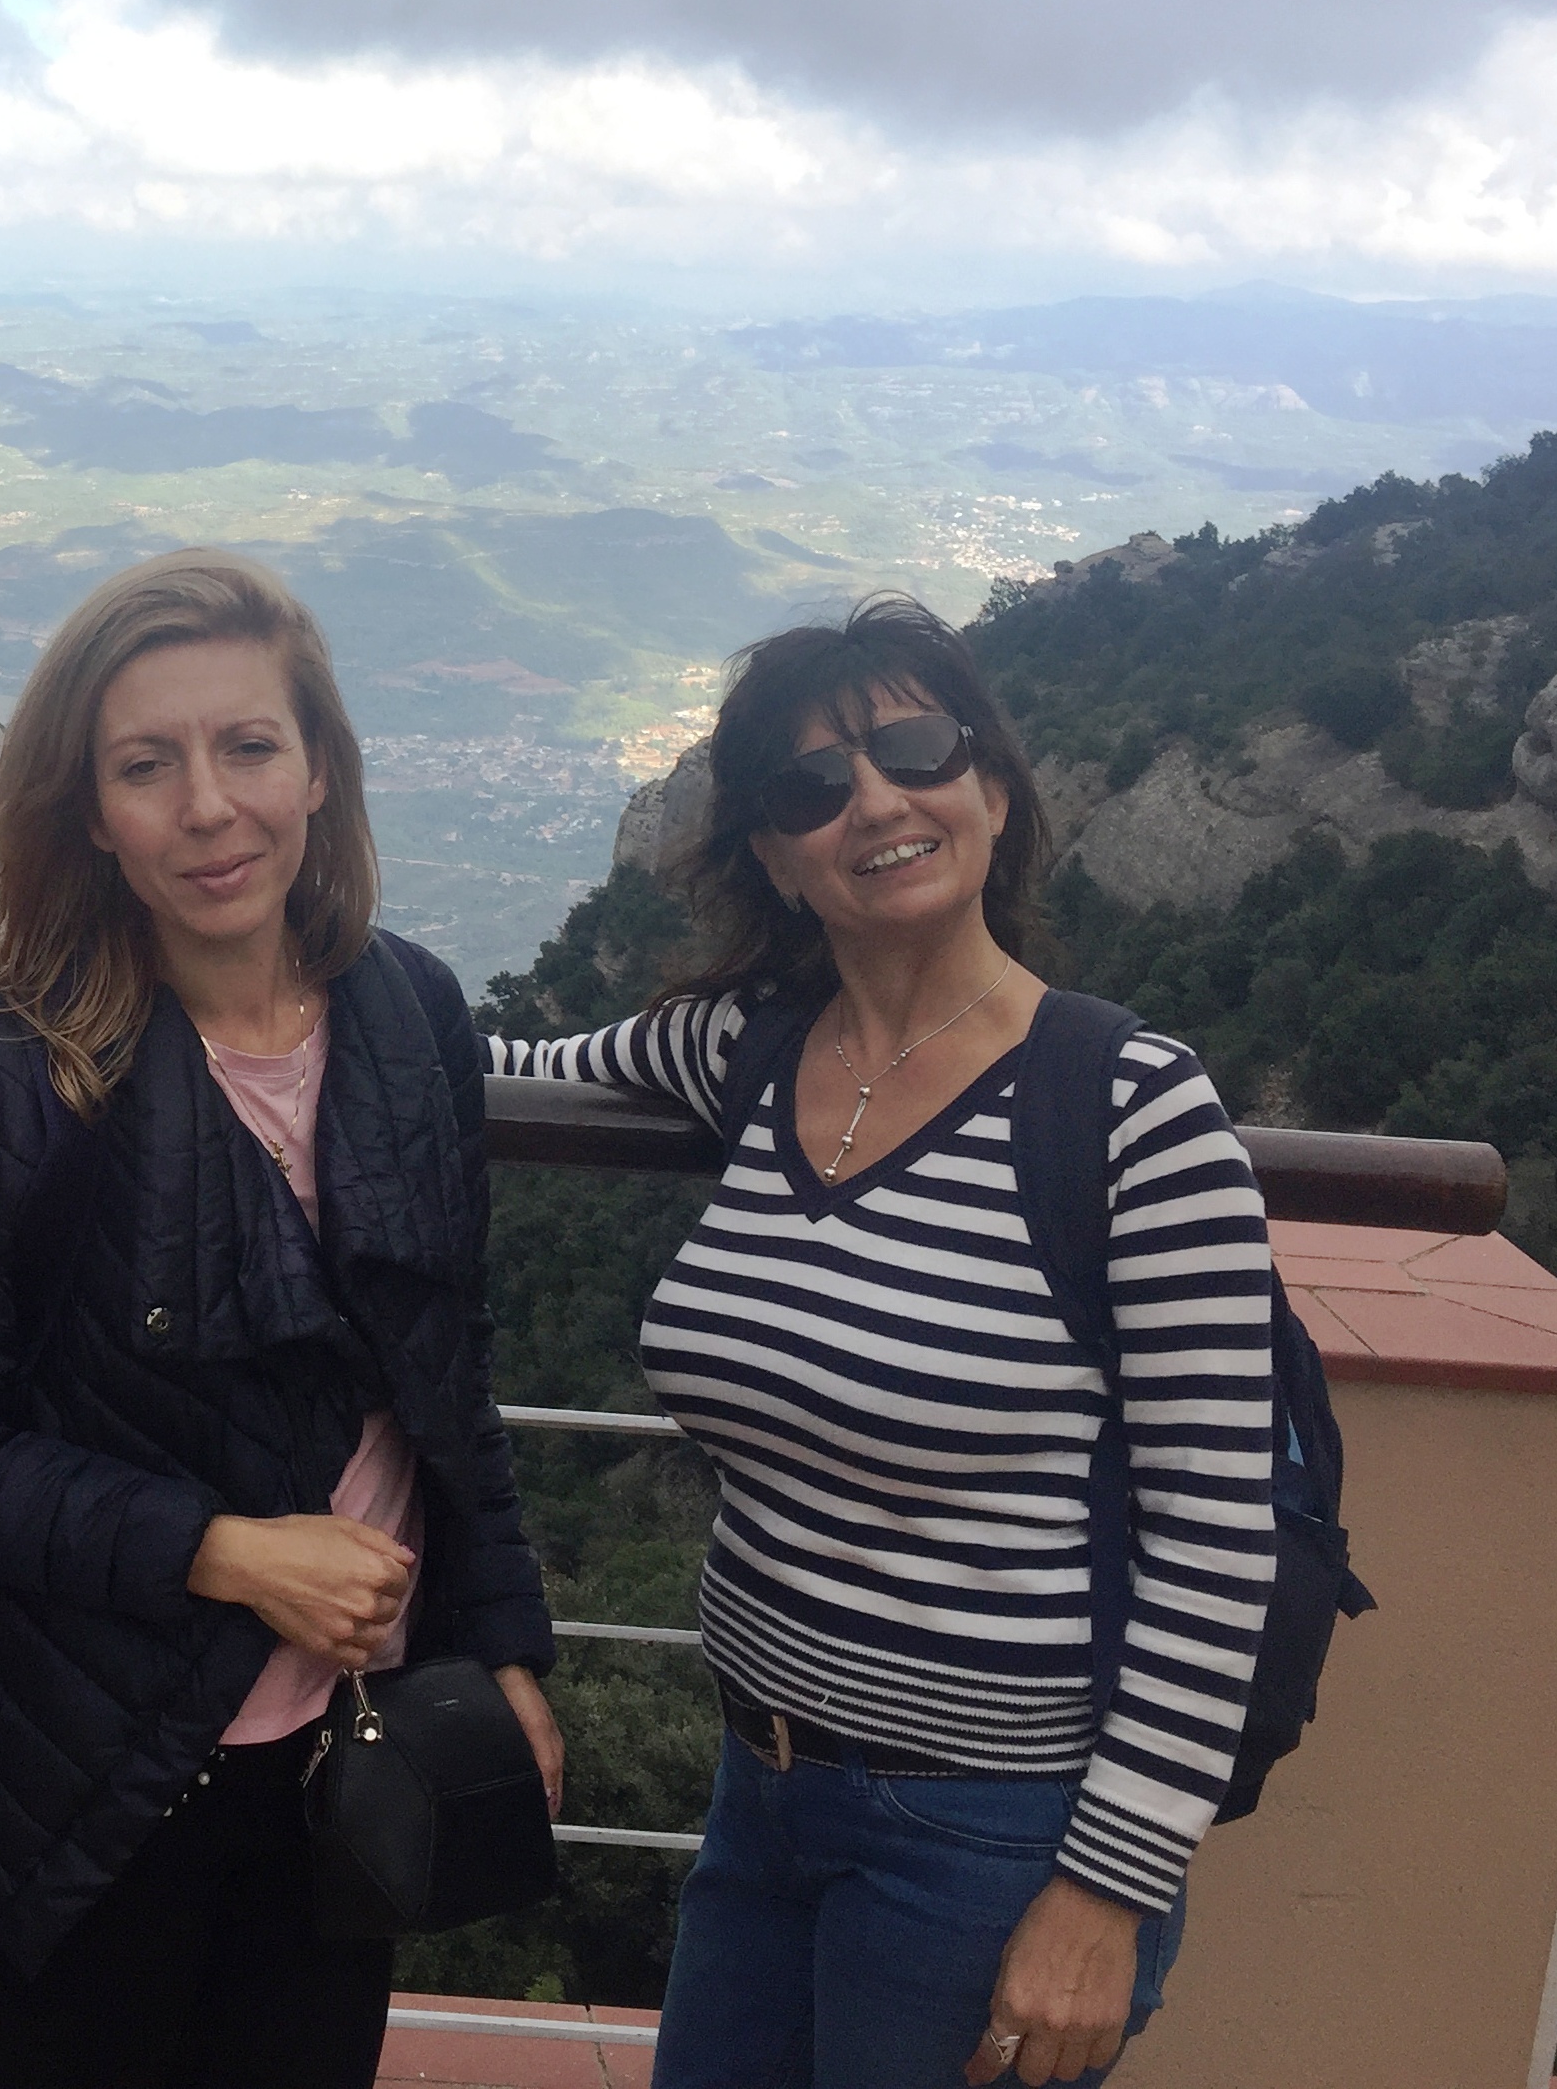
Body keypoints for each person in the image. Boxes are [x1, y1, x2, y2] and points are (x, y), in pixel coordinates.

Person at [487, 593, 1273, 2089]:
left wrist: (1106, 1897)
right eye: (810, 785)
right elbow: (501, 1061)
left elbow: (1216, 1544)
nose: (874, 801)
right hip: (762, 1791)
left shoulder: (1130, 1109)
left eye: (915, 749)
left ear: (993, 789)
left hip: (994, 1835)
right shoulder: (748, 1050)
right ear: (776, 860)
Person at [0, 548, 563, 2089]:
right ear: (93, 812)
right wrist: (229, 1552)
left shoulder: (412, 1013)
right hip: (93, 1770)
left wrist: (502, 1647)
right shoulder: (19, 1062)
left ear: (318, 770)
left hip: (348, 1750)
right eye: (148, 766)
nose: (210, 807)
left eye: (250, 747)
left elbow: (450, 1370)